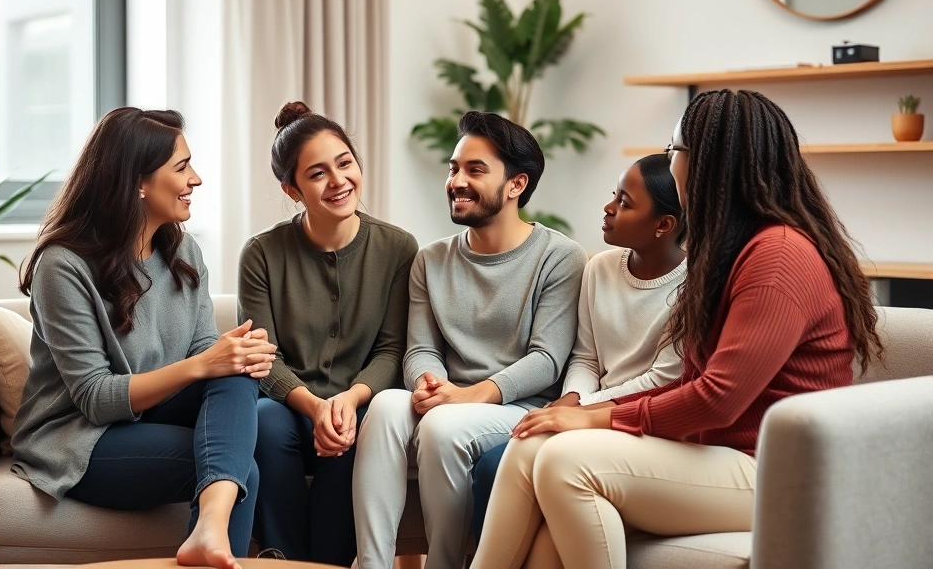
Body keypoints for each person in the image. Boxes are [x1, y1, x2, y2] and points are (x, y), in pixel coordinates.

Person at [471, 89, 884, 569]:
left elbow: (717, 398)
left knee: (565, 463)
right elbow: (692, 381)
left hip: (777, 470)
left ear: (707, 163)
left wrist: (595, 418)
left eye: (673, 151)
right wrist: (585, 411)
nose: (670, 164)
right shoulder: (733, 249)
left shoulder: (778, 257)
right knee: (532, 446)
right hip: (719, 454)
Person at [13, 108, 276, 569]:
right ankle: (211, 530)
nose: (196, 179)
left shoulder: (183, 250)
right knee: (240, 469)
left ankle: (210, 530)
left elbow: (204, 353)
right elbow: (95, 398)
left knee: (236, 371)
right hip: (79, 439)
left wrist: (226, 358)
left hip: (155, 412)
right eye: (182, 167)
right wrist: (204, 364)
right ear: (138, 182)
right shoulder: (63, 265)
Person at [352, 111, 587, 569]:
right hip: (449, 397)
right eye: (454, 168)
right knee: (384, 407)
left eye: (475, 170)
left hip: (521, 406)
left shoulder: (560, 257)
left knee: (442, 427)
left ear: (516, 184)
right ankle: (373, 563)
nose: (457, 181)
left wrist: (465, 397)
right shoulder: (431, 259)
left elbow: (547, 360)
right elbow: (421, 348)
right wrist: (429, 383)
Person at [470, 153, 687, 542]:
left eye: (625, 203)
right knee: (492, 466)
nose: (608, 208)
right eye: (614, 195)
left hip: (639, 422)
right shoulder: (600, 268)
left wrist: (581, 409)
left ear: (664, 225)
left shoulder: (693, 286)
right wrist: (570, 399)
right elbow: (586, 356)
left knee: (503, 466)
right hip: (589, 409)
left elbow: (663, 379)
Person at [238, 101, 418, 566]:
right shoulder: (261, 253)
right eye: (317, 174)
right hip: (289, 406)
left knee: (357, 433)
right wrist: (315, 406)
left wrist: (348, 401)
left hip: (358, 405)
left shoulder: (398, 247)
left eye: (345, 163)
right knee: (264, 422)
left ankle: (328, 564)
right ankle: (285, 559)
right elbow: (262, 357)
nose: (339, 181)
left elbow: (392, 349)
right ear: (292, 190)